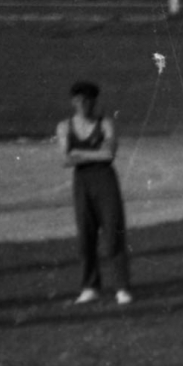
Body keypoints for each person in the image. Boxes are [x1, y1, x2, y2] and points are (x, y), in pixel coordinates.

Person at [59, 80, 131, 305]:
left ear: (94, 102)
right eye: (79, 100)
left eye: (88, 101)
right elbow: (65, 159)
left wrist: (78, 152)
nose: (83, 105)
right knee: (85, 236)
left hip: (105, 181)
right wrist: (94, 152)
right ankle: (90, 286)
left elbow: (109, 156)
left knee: (113, 233)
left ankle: (121, 287)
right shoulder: (64, 126)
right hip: (83, 182)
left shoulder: (106, 123)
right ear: (73, 102)